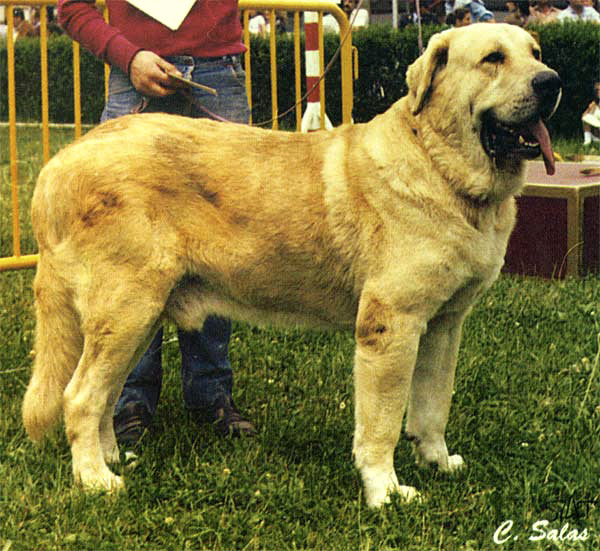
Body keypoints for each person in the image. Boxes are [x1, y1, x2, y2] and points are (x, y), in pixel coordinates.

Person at [57, 0, 256, 448]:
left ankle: (211, 393)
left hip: (219, 73)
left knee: (222, 237)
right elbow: (72, 8)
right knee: (127, 251)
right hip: (135, 76)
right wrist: (129, 57)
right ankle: (127, 399)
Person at [582, 81, 600, 146]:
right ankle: (587, 141)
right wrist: (589, 109)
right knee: (586, 118)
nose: (598, 92)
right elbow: (584, 117)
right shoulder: (594, 104)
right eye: (597, 90)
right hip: (597, 132)